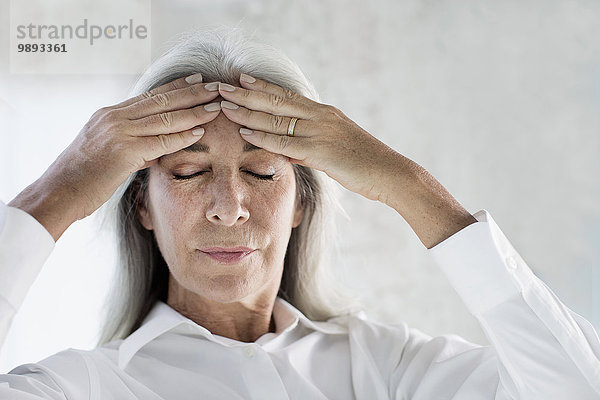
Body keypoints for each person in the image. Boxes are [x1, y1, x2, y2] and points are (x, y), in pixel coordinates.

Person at [1, 27, 599, 399]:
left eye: (262, 172)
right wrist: (53, 195)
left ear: (300, 202)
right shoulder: (86, 388)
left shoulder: (388, 370)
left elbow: (575, 387)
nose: (229, 207)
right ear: (142, 208)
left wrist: (407, 184)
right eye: (187, 172)